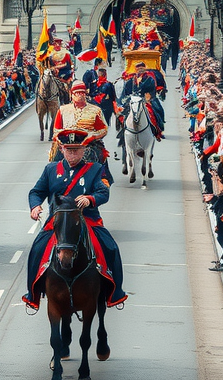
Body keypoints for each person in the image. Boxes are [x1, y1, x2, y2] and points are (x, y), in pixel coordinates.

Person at [23, 129, 127, 310]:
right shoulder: (50, 169)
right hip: (59, 222)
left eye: (76, 150)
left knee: (110, 248)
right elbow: (37, 191)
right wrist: (35, 206)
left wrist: (90, 199)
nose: (72, 154)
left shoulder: (95, 169)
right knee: (37, 249)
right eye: (68, 150)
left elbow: (103, 192)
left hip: (87, 219)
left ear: (84, 150)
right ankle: (33, 294)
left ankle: (115, 293)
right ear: (61, 149)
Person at [120, 61, 165, 139]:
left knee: (157, 110)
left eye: (142, 68)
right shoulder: (131, 80)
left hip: (148, 99)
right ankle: (123, 131)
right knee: (122, 113)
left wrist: (140, 83)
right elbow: (126, 91)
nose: (140, 70)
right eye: (138, 68)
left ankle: (158, 130)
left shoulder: (149, 78)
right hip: (134, 99)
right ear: (136, 70)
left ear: (145, 69)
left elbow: (150, 89)